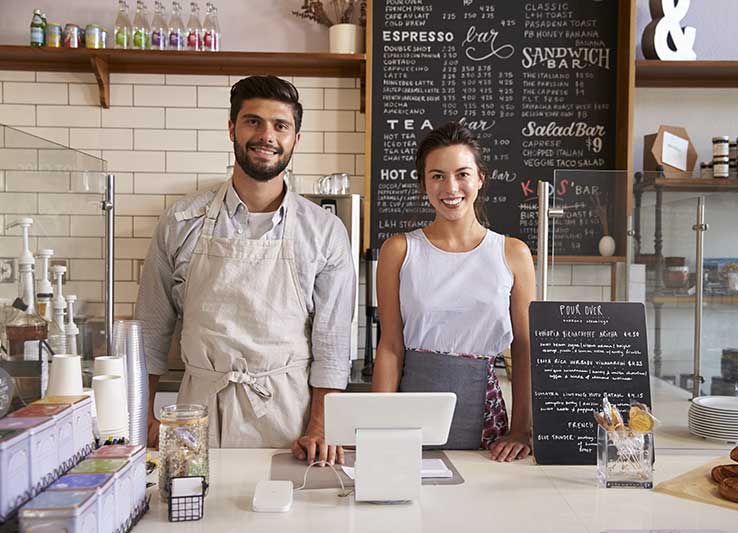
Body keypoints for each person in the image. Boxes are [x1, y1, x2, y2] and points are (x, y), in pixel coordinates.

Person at [136, 75, 355, 463]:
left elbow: (332, 343)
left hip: (289, 419)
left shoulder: (324, 232)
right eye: (253, 121)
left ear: (295, 139)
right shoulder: (180, 221)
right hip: (194, 416)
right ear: (232, 128)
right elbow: (151, 330)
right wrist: (142, 416)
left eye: (280, 125)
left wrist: (321, 426)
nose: (266, 135)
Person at [371, 122, 535, 461]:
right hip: (409, 417)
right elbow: (389, 347)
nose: (451, 187)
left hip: (487, 426)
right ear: (424, 183)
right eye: (437, 176)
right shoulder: (399, 250)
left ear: (480, 178)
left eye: (462, 174)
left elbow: (524, 350)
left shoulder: (513, 253)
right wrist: (378, 428)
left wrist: (521, 429)